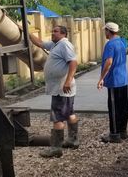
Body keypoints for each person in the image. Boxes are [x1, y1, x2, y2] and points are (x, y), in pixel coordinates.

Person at [30, 25, 79, 158]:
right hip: (61, 88)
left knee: (57, 117)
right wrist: (25, 32)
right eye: (52, 31)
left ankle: (56, 148)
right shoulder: (55, 44)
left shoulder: (64, 45)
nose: (52, 33)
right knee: (69, 113)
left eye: (55, 31)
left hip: (62, 88)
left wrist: (67, 81)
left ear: (63, 34)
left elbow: (73, 63)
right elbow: (39, 43)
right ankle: (73, 140)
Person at [97, 22, 128, 143]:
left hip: (114, 80)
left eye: (105, 31)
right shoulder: (121, 42)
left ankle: (114, 134)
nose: (104, 33)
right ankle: (123, 131)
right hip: (123, 79)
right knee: (123, 107)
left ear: (108, 31)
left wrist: (101, 78)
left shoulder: (110, 44)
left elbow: (109, 62)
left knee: (114, 108)